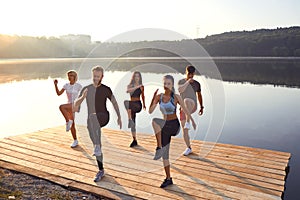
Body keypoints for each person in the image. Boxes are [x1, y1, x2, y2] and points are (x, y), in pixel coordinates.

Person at [74, 66, 122, 182]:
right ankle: (101, 169)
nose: (96, 78)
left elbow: (114, 103)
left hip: (103, 117)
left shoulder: (106, 89)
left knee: (93, 118)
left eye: (98, 76)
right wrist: (82, 97)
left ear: (102, 77)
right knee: (97, 141)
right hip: (91, 121)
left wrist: (119, 117)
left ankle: (96, 147)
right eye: (94, 76)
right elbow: (76, 106)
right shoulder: (87, 89)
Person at [149, 75, 196, 188]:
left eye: (169, 84)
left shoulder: (176, 97)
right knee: (165, 155)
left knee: (156, 122)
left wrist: (192, 121)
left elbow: (185, 110)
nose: (166, 86)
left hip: (174, 125)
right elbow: (150, 111)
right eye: (165, 83)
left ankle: (158, 147)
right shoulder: (159, 97)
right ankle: (168, 178)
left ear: (172, 85)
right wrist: (153, 98)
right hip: (164, 127)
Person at [178, 65, 204, 156]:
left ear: (194, 73)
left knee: (186, 100)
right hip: (183, 109)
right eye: (189, 74)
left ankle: (188, 122)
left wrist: (202, 107)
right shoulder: (181, 82)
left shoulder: (197, 84)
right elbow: (180, 90)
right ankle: (188, 148)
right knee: (185, 132)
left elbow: (199, 96)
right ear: (186, 72)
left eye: (192, 74)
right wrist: (188, 82)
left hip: (193, 105)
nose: (191, 76)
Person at [54, 70, 82, 148]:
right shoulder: (66, 85)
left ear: (75, 77)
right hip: (69, 105)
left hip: (75, 105)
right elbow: (59, 93)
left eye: (71, 76)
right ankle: (75, 140)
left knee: (61, 107)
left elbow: (84, 94)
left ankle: (67, 121)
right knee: (72, 125)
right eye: (69, 76)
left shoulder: (78, 86)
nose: (70, 77)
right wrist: (56, 85)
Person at [124, 71, 146, 147]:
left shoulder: (142, 86)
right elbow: (128, 91)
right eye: (135, 76)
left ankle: (129, 119)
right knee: (133, 123)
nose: (137, 78)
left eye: (138, 76)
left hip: (137, 105)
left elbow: (143, 96)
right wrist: (137, 87)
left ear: (140, 78)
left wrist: (144, 105)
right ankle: (134, 140)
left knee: (127, 103)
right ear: (133, 77)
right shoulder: (130, 85)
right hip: (131, 106)